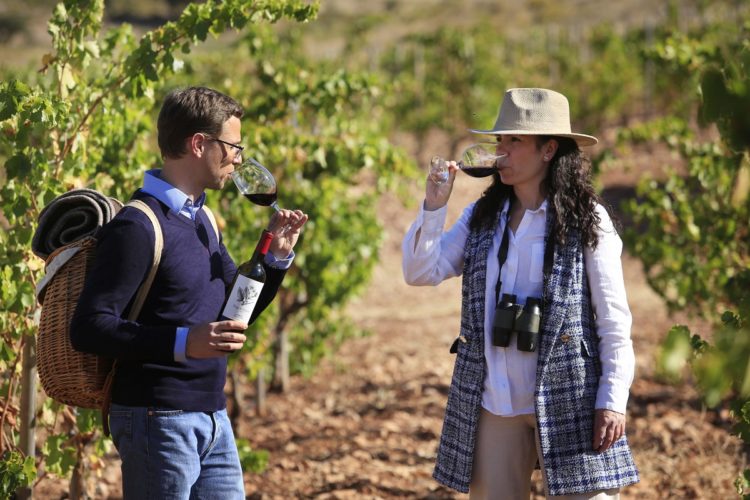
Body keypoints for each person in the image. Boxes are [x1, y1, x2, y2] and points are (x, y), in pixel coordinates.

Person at [71, 86, 308, 499]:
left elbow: (238, 311)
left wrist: (273, 256)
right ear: (199, 144)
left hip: (213, 416)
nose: (238, 157)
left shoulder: (205, 221)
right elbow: (89, 328)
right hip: (156, 417)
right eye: (233, 145)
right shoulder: (138, 226)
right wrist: (184, 342)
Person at [402, 88, 639, 499]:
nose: (501, 151)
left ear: (548, 150)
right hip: (497, 398)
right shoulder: (482, 215)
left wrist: (613, 398)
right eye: (500, 140)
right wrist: (434, 205)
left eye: (514, 141)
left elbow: (614, 319)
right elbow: (421, 271)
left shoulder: (588, 219)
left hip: (570, 396)